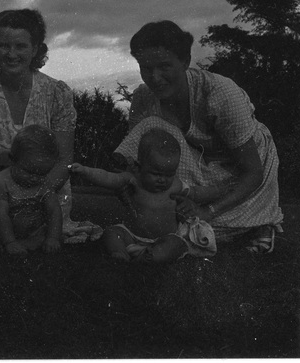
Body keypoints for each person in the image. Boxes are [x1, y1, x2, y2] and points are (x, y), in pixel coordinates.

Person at [113, 20, 283, 253]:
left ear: (185, 61)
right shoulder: (143, 98)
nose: (155, 77)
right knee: (176, 222)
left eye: (164, 66)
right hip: (198, 169)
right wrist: (131, 187)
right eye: (146, 68)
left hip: (246, 169)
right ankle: (241, 224)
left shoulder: (220, 94)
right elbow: (139, 160)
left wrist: (208, 211)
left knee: (190, 227)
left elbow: (252, 172)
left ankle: (258, 221)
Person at [0, 8, 101, 245]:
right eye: (3, 45)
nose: (11, 54)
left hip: (47, 198)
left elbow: (64, 159)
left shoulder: (58, 93)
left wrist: (31, 202)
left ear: (35, 49)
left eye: (21, 46)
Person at [71, 128, 217, 263]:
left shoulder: (175, 185)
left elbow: (197, 192)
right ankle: (120, 253)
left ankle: (151, 256)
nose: (162, 179)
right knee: (112, 232)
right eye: (156, 173)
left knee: (175, 243)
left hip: (164, 237)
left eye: (169, 174)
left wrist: (219, 191)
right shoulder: (133, 180)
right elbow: (108, 178)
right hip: (132, 235)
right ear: (140, 166)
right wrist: (85, 171)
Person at [0, 125, 63, 256]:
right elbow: (1, 214)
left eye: (42, 173)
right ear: (12, 159)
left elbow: (54, 211)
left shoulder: (44, 183)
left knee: (56, 234)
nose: (35, 178)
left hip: (31, 230)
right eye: (29, 171)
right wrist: (10, 242)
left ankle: (17, 245)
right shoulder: (1, 182)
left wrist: (52, 238)